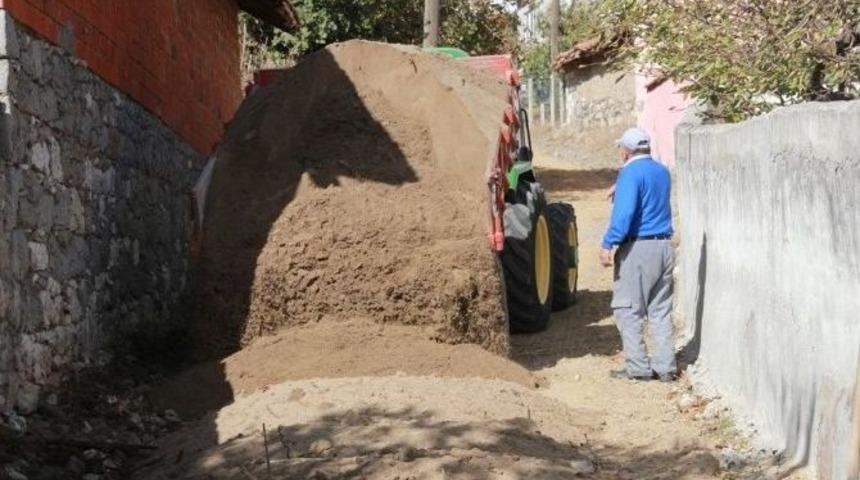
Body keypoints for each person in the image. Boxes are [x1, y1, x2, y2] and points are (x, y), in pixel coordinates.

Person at [600, 127, 676, 382]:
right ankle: (666, 367)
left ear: (627, 150)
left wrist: (608, 243)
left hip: (639, 249)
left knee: (628, 310)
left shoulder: (630, 173)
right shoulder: (662, 171)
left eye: (621, 147)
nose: (620, 151)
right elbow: (647, 191)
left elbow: (624, 215)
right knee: (660, 310)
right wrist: (619, 186)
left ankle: (638, 367)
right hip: (664, 247)